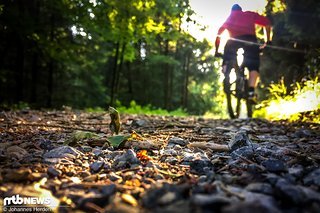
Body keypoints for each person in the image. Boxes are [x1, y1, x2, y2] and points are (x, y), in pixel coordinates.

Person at [214, 4, 272, 103]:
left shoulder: (230, 18)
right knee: (253, 66)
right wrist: (268, 41)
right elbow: (267, 23)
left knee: (227, 55)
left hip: (233, 41)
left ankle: (226, 69)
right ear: (241, 10)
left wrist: (216, 50)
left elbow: (219, 34)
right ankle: (250, 92)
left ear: (232, 11)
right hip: (249, 40)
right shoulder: (249, 14)